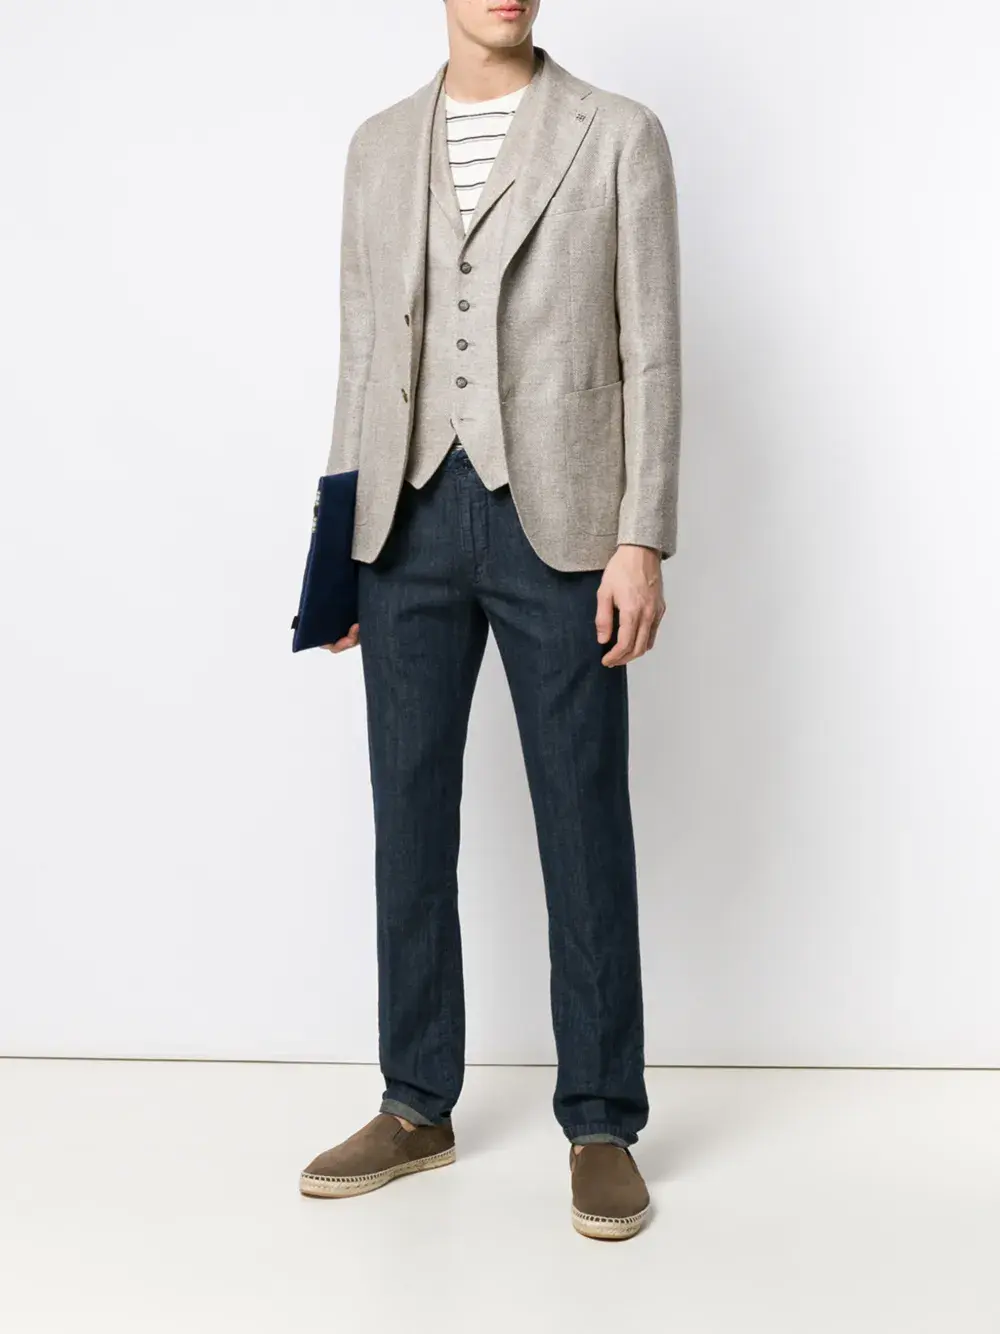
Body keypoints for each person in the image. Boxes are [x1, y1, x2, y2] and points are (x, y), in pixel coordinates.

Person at [299, 0, 681, 1241]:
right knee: (407, 819)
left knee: (582, 815)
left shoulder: (616, 133)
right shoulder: (376, 145)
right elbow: (363, 353)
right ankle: (416, 1103)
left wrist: (640, 535)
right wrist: (337, 558)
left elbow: (650, 352)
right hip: (404, 524)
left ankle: (602, 1119)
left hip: (559, 519)